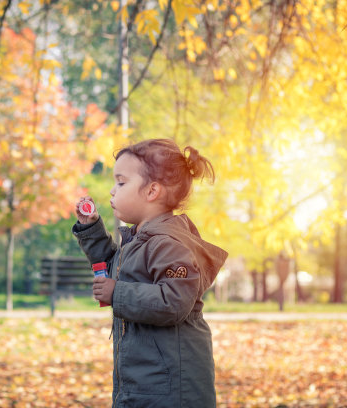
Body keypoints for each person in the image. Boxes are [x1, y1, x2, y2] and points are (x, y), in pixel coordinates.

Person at [72, 138, 229, 407]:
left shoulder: (168, 243)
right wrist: (92, 229)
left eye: (121, 182)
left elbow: (173, 302)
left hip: (172, 390)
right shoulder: (140, 240)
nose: (112, 191)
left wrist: (117, 292)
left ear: (152, 191)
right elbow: (115, 268)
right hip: (143, 383)